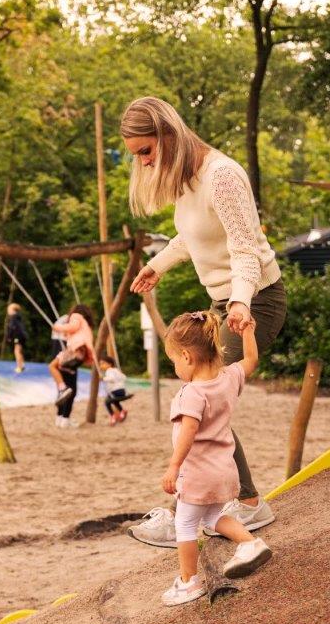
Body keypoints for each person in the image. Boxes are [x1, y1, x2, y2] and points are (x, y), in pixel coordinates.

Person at [122, 96, 286, 547]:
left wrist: (240, 303)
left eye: (145, 151)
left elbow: (244, 247)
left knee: (202, 398)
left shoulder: (223, 175)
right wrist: (160, 264)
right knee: (203, 400)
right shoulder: (189, 180)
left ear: (168, 134)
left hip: (257, 300)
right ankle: (233, 504)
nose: (144, 161)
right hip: (226, 303)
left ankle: (233, 506)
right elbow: (192, 234)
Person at [157, 311, 271, 606]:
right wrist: (248, 332)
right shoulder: (228, 378)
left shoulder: (191, 394)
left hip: (198, 474)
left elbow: (189, 432)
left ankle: (188, 582)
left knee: (184, 524)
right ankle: (250, 543)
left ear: (187, 356)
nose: (175, 368)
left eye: (174, 361)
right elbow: (251, 362)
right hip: (225, 471)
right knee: (211, 517)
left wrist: (173, 466)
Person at [48, 304, 95, 407]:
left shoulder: (76, 316)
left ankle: (62, 388)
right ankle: (67, 375)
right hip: (81, 356)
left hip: (75, 351)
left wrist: (57, 327)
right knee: (63, 367)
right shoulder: (87, 326)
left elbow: (72, 327)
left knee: (52, 366)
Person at [100, 355, 128, 426]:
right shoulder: (116, 370)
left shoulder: (109, 371)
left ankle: (113, 416)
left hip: (116, 390)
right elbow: (124, 377)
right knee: (114, 401)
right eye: (100, 364)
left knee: (107, 402)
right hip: (122, 391)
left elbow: (112, 378)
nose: (101, 365)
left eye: (103, 363)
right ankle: (122, 411)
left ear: (109, 364)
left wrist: (103, 378)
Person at [5, 303, 28, 373]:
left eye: (8, 309)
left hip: (18, 336)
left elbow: (11, 328)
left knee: (17, 351)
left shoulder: (13, 318)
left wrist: (9, 336)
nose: (8, 311)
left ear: (13, 310)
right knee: (19, 350)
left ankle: (19, 367)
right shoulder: (18, 317)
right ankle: (22, 364)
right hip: (21, 335)